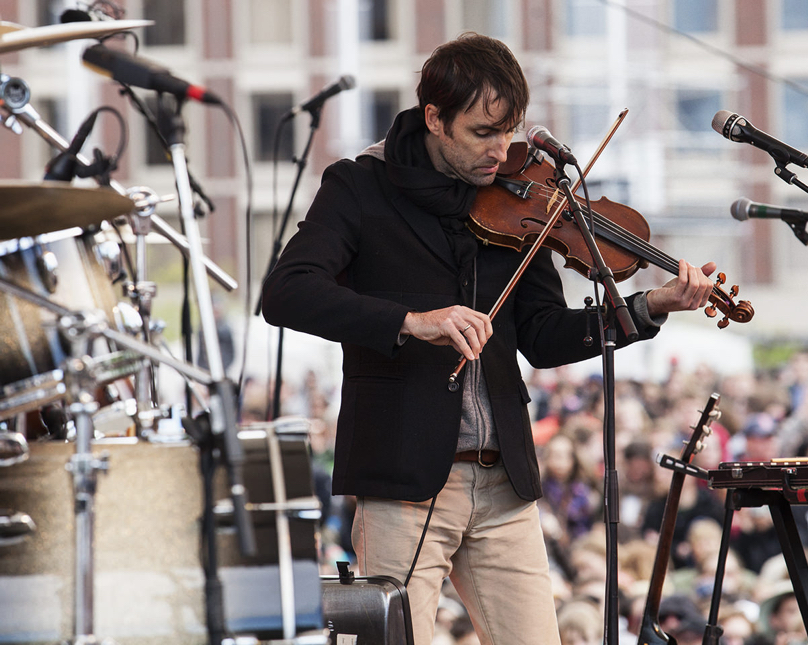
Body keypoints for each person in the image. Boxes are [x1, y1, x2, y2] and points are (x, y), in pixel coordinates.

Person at [262, 32, 716, 645]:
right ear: (435, 119)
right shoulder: (358, 186)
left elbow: (545, 337)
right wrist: (411, 321)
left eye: (510, 131)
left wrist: (647, 305)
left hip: (505, 482)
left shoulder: (521, 197)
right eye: (482, 133)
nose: (502, 152)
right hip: (403, 481)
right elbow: (287, 291)